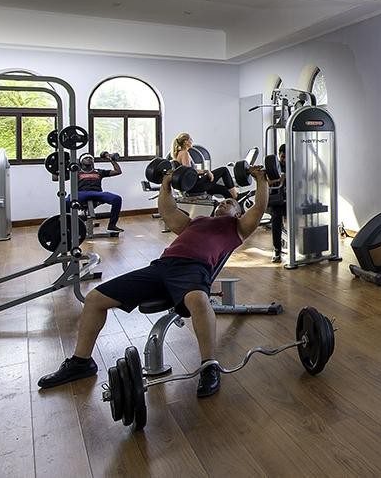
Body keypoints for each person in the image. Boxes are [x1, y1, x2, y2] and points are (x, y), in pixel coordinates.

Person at [37, 164, 270, 397]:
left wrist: (261, 180)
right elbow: (168, 212)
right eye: (221, 202)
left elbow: (259, 208)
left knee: (199, 300)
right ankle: (81, 362)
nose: (223, 203)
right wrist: (166, 183)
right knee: (94, 298)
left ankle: (209, 366)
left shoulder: (237, 227)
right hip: (161, 267)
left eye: (229, 203)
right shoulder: (195, 221)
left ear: (238, 213)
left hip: (193, 270)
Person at [170, 132, 238, 200]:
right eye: (190, 139)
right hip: (195, 186)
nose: (192, 141)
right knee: (224, 170)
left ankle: (233, 202)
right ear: (185, 142)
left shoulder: (179, 154)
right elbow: (189, 173)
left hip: (193, 187)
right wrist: (206, 171)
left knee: (223, 189)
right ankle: (235, 195)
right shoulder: (185, 153)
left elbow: (189, 172)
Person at [70, 152, 124, 232]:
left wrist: (111, 159)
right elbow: (56, 177)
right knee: (66, 201)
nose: (89, 159)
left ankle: (112, 226)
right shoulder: (76, 172)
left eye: (90, 158)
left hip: (98, 194)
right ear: (81, 161)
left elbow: (118, 171)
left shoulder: (98, 171)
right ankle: (68, 226)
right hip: (82, 194)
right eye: (86, 158)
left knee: (117, 199)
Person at [267, 144, 287, 264]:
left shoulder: (294, 165)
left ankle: (302, 247)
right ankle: (277, 250)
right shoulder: (274, 166)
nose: (284, 159)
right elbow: (267, 183)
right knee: (276, 221)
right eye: (283, 156)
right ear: (279, 155)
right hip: (277, 200)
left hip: (291, 199)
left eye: (286, 157)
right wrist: (280, 179)